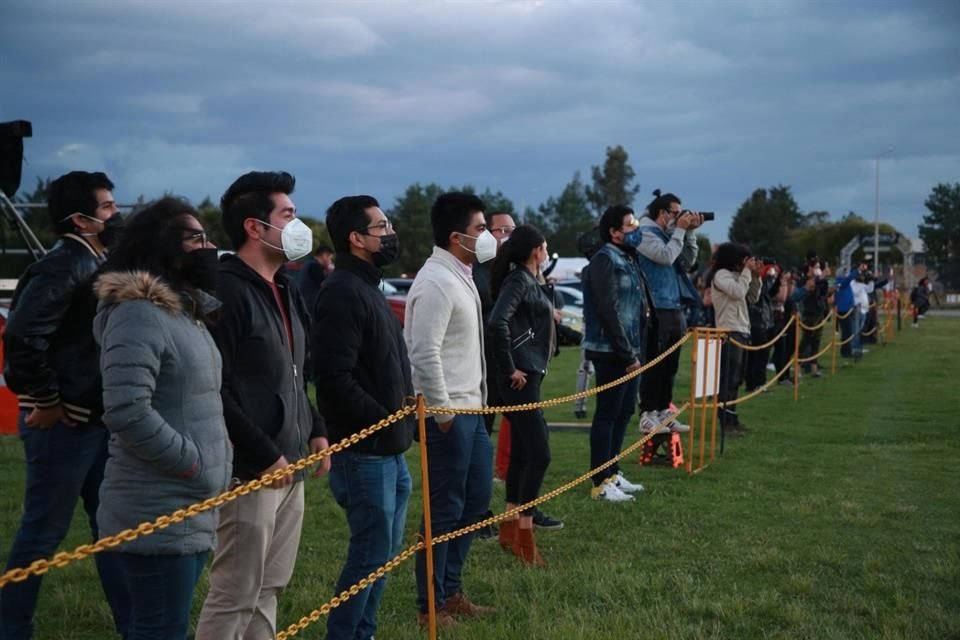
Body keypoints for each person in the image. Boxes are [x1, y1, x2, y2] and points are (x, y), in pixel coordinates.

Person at [196, 171, 330, 639]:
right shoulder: (223, 290)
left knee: (269, 587)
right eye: (288, 215)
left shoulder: (286, 286)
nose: (299, 224)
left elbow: (295, 371)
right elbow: (215, 387)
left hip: (289, 462)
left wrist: (315, 426)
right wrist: (263, 454)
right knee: (235, 592)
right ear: (256, 227)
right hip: (250, 469)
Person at [92, 197, 230, 640]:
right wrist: (193, 463)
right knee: (159, 631)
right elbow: (127, 409)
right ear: (164, 247)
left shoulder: (185, 313)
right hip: (155, 508)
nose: (207, 248)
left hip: (189, 505)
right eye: (196, 238)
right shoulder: (138, 313)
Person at [0, 171, 129, 639]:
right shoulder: (63, 265)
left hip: (94, 422)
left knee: (112, 531)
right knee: (41, 534)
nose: (117, 215)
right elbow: (21, 337)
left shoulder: (96, 261)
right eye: (109, 207)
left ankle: (135, 626)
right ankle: (12, 628)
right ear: (81, 219)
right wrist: (50, 402)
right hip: (63, 427)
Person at [310, 195, 414, 640]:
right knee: (370, 551)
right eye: (381, 226)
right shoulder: (341, 293)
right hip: (364, 451)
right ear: (356, 238)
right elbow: (334, 379)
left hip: (392, 450)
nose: (390, 233)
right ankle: (346, 633)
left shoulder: (368, 287)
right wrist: (385, 420)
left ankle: (363, 631)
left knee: (386, 551)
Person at [405, 192, 495, 628]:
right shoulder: (436, 281)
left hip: (472, 411)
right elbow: (424, 353)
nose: (488, 236)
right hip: (450, 415)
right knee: (444, 510)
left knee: (475, 501)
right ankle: (430, 607)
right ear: (456, 236)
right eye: (481, 229)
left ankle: (452, 591)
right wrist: (441, 414)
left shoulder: (460, 273)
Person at [487, 224, 556, 565]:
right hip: (519, 380)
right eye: (544, 248)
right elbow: (497, 322)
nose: (547, 252)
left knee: (523, 454)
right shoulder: (519, 281)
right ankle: (525, 535)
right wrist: (510, 366)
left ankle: (510, 526)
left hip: (528, 376)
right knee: (540, 454)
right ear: (535, 251)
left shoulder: (530, 280)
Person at [581, 205, 650, 502]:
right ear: (613, 231)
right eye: (630, 224)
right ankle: (600, 482)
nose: (636, 228)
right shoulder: (604, 260)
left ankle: (613, 472)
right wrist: (626, 354)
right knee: (607, 414)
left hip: (630, 348)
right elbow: (608, 310)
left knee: (623, 413)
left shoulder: (629, 258)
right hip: (610, 351)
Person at [634, 189, 701, 434]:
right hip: (654, 307)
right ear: (662, 213)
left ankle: (663, 410)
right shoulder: (643, 233)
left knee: (670, 365)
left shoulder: (668, 234)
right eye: (675, 213)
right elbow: (665, 256)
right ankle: (647, 414)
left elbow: (687, 261)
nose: (679, 217)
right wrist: (681, 231)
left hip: (673, 305)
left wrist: (689, 232)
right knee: (655, 362)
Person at [709, 243, 761, 436]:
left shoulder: (739, 277)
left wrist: (755, 276)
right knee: (727, 380)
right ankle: (725, 422)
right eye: (744, 259)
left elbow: (753, 297)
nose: (746, 263)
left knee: (737, 379)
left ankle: (732, 418)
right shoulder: (721, 275)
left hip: (741, 330)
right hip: (728, 331)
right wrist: (747, 272)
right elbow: (738, 292)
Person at [797, 251, 831, 377]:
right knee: (806, 341)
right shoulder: (804, 280)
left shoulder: (820, 280)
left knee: (816, 341)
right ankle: (797, 367)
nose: (818, 270)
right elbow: (809, 289)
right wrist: (820, 277)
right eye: (816, 267)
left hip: (819, 312)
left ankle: (814, 368)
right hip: (808, 313)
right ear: (810, 268)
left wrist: (824, 280)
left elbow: (823, 293)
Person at [297, 243, 334, 314]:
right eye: (329, 257)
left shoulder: (308, 263)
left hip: (306, 303)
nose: (330, 261)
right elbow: (325, 285)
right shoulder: (315, 266)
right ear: (324, 255)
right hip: (313, 304)